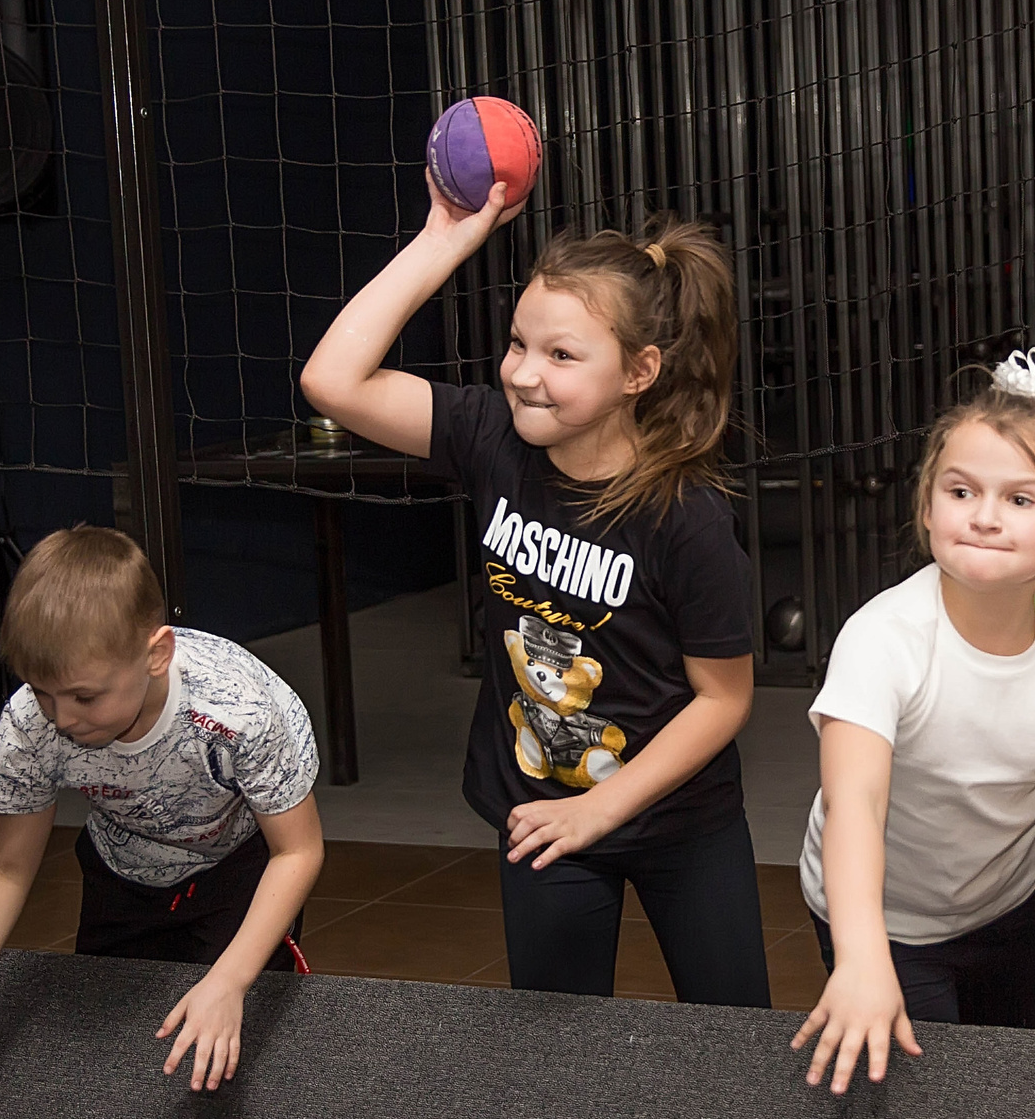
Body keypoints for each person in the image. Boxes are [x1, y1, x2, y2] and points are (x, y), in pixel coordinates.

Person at [298, 172, 768, 1007]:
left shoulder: (686, 518)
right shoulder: (491, 436)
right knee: (552, 1061)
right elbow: (332, 381)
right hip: (542, 817)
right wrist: (443, 240)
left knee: (738, 1044)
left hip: (677, 824)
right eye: (518, 344)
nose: (523, 374)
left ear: (640, 371)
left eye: (561, 355)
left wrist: (604, 809)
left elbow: (723, 701)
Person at [791, 349, 1035, 1096]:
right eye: (961, 490)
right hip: (880, 917)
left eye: (1022, 500)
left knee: (999, 1096)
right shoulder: (883, 637)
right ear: (928, 503)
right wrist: (862, 955)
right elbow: (854, 803)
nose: (986, 516)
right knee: (922, 1110)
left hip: (1005, 910)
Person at [0, 527, 323, 1110]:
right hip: (123, 866)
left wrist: (230, 980)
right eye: (42, 691)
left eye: (83, 697)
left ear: (157, 655)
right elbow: (6, 867)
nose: (61, 717)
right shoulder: (32, 722)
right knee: (117, 1062)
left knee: (229, 1047)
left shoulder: (242, 710)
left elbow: (298, 852)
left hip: (244, 868)